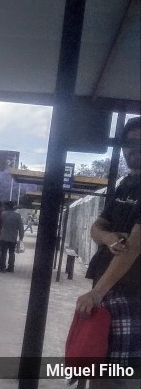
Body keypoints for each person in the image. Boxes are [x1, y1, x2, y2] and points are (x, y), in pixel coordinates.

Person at [76, 116, 140, 387]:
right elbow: (96, 227)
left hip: (132, 297)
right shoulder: (126, 185)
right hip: (108, 294)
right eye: (128, 143)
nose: (133, 148)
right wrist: (109, 237)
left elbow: (135, 245)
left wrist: (96, 292)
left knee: (121, 378)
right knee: (96, 371)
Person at [0, 200, 23, 273]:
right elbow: (21, 228)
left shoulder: (3, 214)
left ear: (6, 207)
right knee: (12, 253)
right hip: (13, 238)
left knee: (3, 253)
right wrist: (21, 238)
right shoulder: (18, 216)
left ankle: (2, 268)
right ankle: (11, 267)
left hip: (3, 237)